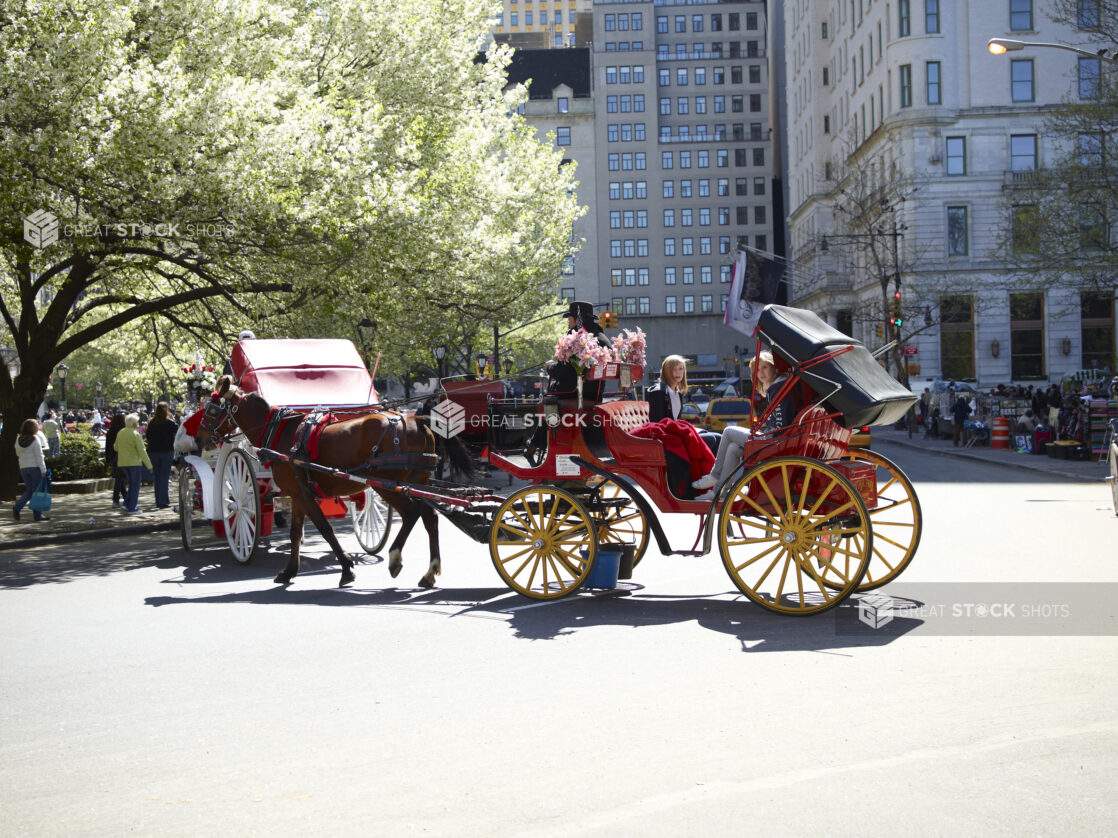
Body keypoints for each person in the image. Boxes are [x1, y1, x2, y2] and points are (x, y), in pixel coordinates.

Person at [691, 350, 801, 500]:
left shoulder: (777, 388)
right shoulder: (778, 386)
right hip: (779, 438)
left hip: (777, 441)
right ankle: (719, 492)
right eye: (758, 369)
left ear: (774, 367)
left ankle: (714, 475)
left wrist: (767, 428)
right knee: (732, 448)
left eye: (765, 367)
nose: (761, 373)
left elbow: (781, 424)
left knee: (729, 431)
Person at [646, 354, 719, 453]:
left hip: (676, 432)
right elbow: (658, 423)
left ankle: (714, 468)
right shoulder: (658, 392)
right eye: (674, 369)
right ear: (667, 372)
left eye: (681, 369)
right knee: (711, 439)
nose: (678, 373)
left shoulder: (678, 392)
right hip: (666, 436)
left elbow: (677, 419)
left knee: (719, 438)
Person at [115, 413, 153, 514]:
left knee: (132, 484)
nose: (138, 424)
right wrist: (149, 465)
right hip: (134, 463)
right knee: (135, 485)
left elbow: (115, 447)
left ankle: (126, 504)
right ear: (134, 423)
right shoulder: (135, 434)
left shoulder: (120, 432)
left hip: (123, 463)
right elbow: (142, 451)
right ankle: (132, 508)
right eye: (137, 422)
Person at [12, 418, 49, 522]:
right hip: (35, 468)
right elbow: (39, 456)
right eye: (36, 425)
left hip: (23, 468)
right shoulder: (34, 439)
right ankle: (37, 516)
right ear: (33, 428)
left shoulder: (18, 439)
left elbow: (17, 453)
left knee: (30, 490)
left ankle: (18, 507)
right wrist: (43, 470)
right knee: (37, 492)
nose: (38, 427)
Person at [145, 402, 178, 509]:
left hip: (153, 452)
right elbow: (178, 433)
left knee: (157, 476)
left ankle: (158, 499)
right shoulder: (169, 423)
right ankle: (163, 501)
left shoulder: (151, 423)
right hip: (166, 451)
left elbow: (148, 437)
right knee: (164, 476)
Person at [105, 413, 128, 508]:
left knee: (120, 477)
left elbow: (108, 445)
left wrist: (107, 458)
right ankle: (116, 499)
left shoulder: (111, 431)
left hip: (113, 456)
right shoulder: (123, 431)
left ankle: (126, 497)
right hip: (121, 456)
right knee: (119, 478)